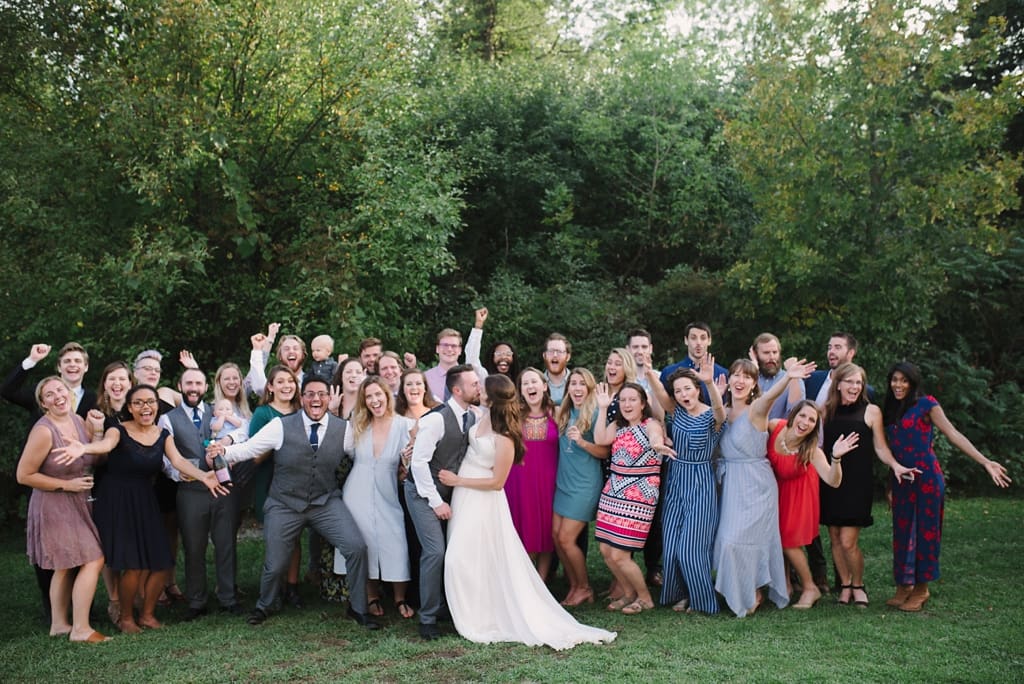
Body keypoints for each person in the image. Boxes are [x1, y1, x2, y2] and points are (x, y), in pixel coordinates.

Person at [441, 373, 617, 649]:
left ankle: (566, 587)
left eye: (480, 386)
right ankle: (475, 606)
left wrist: (458, 480)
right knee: (475, 553)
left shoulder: (525, 425)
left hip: (501, 490)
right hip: (475, 495)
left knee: (543, 538)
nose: (477, 388)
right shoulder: (478, 416)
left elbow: (498, 478)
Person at [210, 375, 378, 630]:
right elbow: (250, 448)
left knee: (356, 547)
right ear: (302, 398)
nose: (315, 399)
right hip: (284, 503)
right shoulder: (280, 425)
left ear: (328, 398)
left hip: (325, 502)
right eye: (310, 394)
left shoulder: (343, 429)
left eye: (321, 394)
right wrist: (223, 451)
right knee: (276, 563)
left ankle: (358, 608)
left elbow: (363, 458)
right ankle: (264, 605)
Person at [67, 384, 226, 633]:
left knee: (163, 561)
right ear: (130, 407)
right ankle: (127, 617)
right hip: (116, 499)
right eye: (139, 402)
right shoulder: (118, 430)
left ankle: (148, 615)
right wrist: (84, 448)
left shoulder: (163, 435)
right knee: (135, 563)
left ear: (157, 406)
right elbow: (106, 446)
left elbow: (179, 461)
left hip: (144, 498)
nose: (145, 407)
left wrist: (204, 476)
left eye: (150, 402)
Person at [882, 361, 1011, 611]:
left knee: (925, 532)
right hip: (902, 480)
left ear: (913, 382)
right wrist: (890, 484)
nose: (898, 385)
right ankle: (904, 585)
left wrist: (985, 462)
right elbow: (892, 450)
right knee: (902, 532)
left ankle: (921, 589)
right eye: (895, 380)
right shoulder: (890, 408)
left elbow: (953, 434)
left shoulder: (927, 404)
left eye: (904, 380)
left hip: (927, 479)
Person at [2, 342, 98, 622]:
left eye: (77, 361)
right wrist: (31, 360)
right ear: (59, 367)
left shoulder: (91, 399)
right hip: (47, 485)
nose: (72, 365)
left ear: (85, 366)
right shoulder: (43, 400)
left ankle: (80, 611)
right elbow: (6, 390)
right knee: (52, 557)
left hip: (81, 488)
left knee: (79, 555)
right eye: (67, 361)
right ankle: (55, 615)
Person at [713, 358, 814, 617]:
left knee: (746, 541)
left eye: (746, 376)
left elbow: (770, 397)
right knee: (727, 542)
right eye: (735, 375)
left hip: (756, 484)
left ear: (754, 383)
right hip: (731, 483)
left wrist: (788, 377)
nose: (739, 380)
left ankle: (755, 590)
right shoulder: (722, 411)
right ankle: (743, 589)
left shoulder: (756, 409)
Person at [820, 362, 920, 608]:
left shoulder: (871, 411)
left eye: (859, 382)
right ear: (838, 384)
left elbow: (881, 447)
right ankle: (844, 585)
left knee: (847, 541)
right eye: (850, 382)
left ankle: (858, 584)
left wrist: (895, 466)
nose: (855, 387)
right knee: (833, 537)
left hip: (857, 483)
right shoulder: (825, 411)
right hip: (832, 480)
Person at [15, 377, 108, 642]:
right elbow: (24, 475)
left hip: (77, 501)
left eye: (60, 390)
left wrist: (98, 430)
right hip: (54, 504)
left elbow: (94, 458)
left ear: (68, 393)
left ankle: (59, 625)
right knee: (94, 558)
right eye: (49, 394)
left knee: (65, 566)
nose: (57, 396)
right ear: (43, 404)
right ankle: (81, 629)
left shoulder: (78, 421)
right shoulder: (44, 431)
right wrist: (67, 485)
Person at [404, 364, 480, 641]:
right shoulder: (435, 420)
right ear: (457, 390)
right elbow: (419, 464)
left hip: (451, 494)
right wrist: (436, 502)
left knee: (456, 550)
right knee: (435, 552)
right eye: (473, 384)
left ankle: (450, 607)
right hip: (421, 493)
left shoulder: (472, 417)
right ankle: (427, 617)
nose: (478, 387)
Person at [159, 368, 241, 620]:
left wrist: (228, 441)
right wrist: (175, 473)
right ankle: (196, 601)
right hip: (190, 491)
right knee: (194, 546)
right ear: (180, 386)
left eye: (198, 383)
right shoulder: (168, 418)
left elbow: (242, 431)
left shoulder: (219, 411)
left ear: (205, 387)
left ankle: (228, 597)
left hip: (222, 487)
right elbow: (164, 455)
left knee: (226, 543)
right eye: (189, 383)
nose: (193, 388)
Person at [593, 382, 674, 615]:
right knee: (606, 551)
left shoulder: (651, 424)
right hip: (614, 491)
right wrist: (602, 408)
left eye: (632, 400)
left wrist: (658, 445)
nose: (627, 404)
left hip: (639, 494)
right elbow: (600, 439)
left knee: (620, 553)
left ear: (643, 404)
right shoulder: (617, 426)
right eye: (623, 400)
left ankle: (645, 598)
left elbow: (655, 439)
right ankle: (628, 593)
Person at [342, 377, 415, 619]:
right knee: (365, 543)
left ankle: (399, 597)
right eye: (369, 397)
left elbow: (411, 458)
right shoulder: (358, 424)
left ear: (387, 395)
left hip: (388, 489)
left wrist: (406, 467)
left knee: (395, 541)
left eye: (378, 395)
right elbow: (346, 451)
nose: (375, 401)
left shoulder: (404, 425)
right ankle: (371, 596)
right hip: (357, 490)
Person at [766, 400, 850, 609]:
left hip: (800, 496)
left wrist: (836, 458)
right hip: (775, 490)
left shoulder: (812, 450)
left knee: (788, 542)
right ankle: (784, 584)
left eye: (812, 420)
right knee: (776, 538)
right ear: (794, 415)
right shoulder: (775, 426)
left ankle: (810, 586)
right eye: (803, 416)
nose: (805, 422)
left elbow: (833, 481)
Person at [657, 364, 725, 614]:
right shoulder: (677, 412)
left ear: (697, 390)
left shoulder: (712, 416)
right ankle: (684, 594)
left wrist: (709, 382)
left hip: (701, 483)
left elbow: (720, 412)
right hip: (676, 479)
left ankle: (703, 602)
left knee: (691, 550)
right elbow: (660, 396)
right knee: (673, 545)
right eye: (678, 391)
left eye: (688, 388)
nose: (684, 394)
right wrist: (645, 372)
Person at [552, 368, 608, 606]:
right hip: (563, 483)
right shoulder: (563, 411)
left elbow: (605, 451)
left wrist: (582, 442)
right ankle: (574, 585)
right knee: (555, 536)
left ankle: (584, 587)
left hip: (584, 484)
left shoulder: (595, 413)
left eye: (581, 384)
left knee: (566, 539)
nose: (576, 388)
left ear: (589, 388)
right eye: (572, 384)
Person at [505, 367, 559, 580]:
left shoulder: (557, 412)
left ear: (544, 386)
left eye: (533, 382)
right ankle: (523, 580)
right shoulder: (513, 414)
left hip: (549, 480)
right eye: (525, 383)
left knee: (545, 531)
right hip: (518, 480)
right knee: (522, 529)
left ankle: (541, 581)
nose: (529, 386)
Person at [92, 361, 134, 624]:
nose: (117, 384)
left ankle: (134, 596)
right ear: (105, 384)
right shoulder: (96, 414)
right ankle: (115, 599)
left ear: (131, 384)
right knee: (109, 544)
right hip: (107, 485)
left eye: (122, 379)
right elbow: (95, 460)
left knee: (132, 541)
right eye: (112, 379)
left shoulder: (139, 410)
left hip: (138, 486)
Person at [658, 322, 728, 404]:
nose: (698, 342)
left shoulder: (722, 374)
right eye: (693, 338)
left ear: (709, 341)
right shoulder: (669, 372)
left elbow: (726, 412)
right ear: (686, 340)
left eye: (703, 338)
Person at [751, 333, 805, 420]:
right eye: (766, 353)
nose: (772, 357)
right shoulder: (748, 378)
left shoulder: (791, 378)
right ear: (755, 355)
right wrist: (753, 371)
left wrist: (794, 378)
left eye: (775, 352)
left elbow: (796, 413)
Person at [424, 329, 465, 402]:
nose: (449, 349)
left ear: (460, 350)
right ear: (437, 349)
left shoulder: (468, 377)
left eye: (454, 346)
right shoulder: (425, 378)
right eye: (445, 345)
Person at [541, 334, 572, 406]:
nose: (555, 355)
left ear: (568, 357)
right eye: (551, 351)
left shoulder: (581, 385)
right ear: (544, 355)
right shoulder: (536, 385)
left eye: (559, 351)